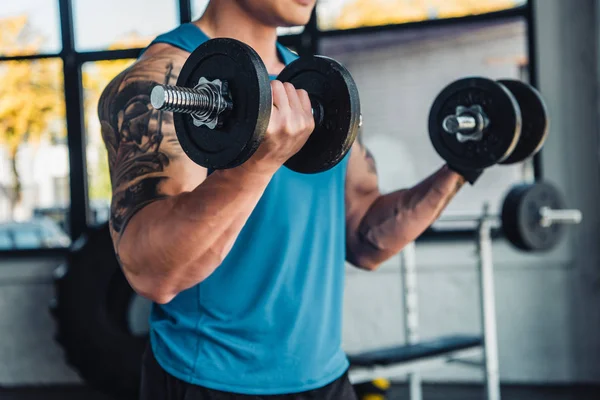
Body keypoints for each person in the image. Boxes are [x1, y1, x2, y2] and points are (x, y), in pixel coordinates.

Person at [98, 0, 482, 399]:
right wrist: (258, 163)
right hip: (208, 381)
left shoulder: (319, 85)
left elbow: (366, 237)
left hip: (325, 377)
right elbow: (153, 273)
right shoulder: (165, 79)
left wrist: (461, 167)